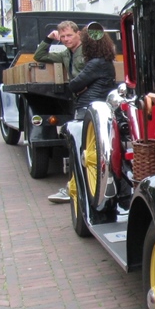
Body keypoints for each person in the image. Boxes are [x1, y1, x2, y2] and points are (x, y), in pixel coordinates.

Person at [48, 29, 117, 204]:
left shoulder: (94, 64)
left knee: (79, 150)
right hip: (97, 106)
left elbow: (74, 85)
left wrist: (80, 87)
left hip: (86, 108)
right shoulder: (106, 62)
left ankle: (74, 189)